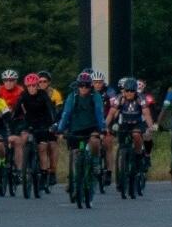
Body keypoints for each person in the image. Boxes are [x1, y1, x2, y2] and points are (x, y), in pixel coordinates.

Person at [57, 72, 105, 207]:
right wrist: (60, 130)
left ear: (90, 87)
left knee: (95, 142)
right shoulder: (72, 97)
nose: (84, 88)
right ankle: (73, 179)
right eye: (81, 86)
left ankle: (95, 163)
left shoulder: (96, 97)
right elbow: (66, 113)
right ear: (77, 86)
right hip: (75, 128)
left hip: (92, 127)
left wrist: (101, 130)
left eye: (86, 86)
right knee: (75, 153)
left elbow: (99, 113)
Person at [106, 77, 155, 194]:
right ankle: (122, 167)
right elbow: (111, 113)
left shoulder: (141, 98)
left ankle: (139, 155)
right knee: (122, 144)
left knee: (137, 135)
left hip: (137, 123)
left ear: (135, 91)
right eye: (126, 91)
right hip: (125, 123)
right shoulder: (120, 98)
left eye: (131, 91)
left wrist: (150, 126)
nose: (129, 93)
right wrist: (104, 125)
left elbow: (146, 114)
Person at [12, 73, 58, 192]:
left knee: (42, 147)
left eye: (34, 85)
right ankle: (23, 166)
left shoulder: (43, 95)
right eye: (29, 86)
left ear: (37, 86)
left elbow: (50, 110)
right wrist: (12, 121)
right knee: (23, 137)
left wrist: (52, 123)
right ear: (26, 86)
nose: (31, 88)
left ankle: (43, 174)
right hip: (29, 122)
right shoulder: (23, 95)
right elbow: (16, 111)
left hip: (43, 123)